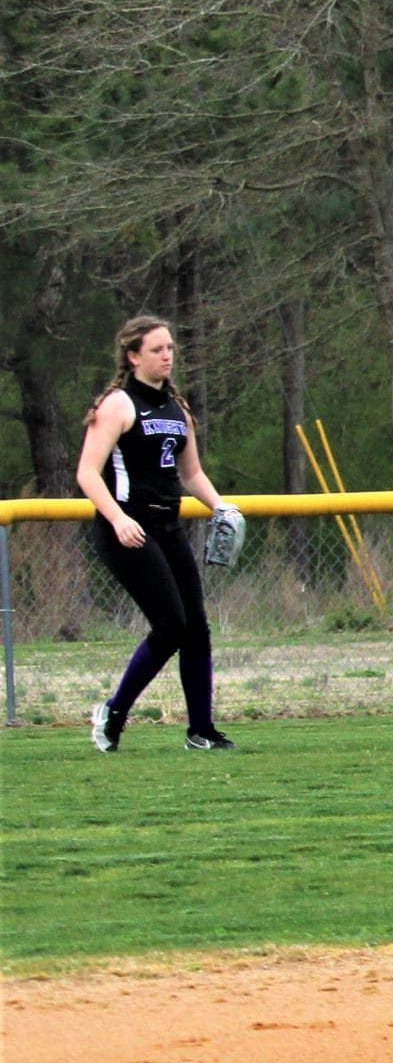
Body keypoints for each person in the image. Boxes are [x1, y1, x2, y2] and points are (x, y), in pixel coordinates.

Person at [75, 315, 235, 752]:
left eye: (169, 349)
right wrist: (117, 518)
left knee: (196, 629)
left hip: (167, 526)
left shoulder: (177, 408)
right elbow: (88, 473)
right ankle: (113, 712)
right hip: (127, 528)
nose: (167, 356)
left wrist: (221, 506)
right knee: (170, 625)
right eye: (156, 350)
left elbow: (191, 473)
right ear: (133, 356)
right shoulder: (118, 405)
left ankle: (200, 730)